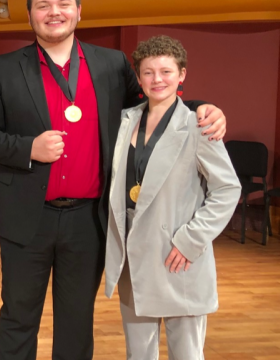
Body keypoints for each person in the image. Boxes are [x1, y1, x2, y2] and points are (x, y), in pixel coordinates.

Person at [0, 0, 229, 359]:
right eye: (43, 5)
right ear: (29, 15)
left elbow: (155, 103)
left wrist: (202, 107)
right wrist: (28, 148)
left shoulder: (112, 63)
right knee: (18, 317)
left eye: (63, 3)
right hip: (25, 218)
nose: (54, 12)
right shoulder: (5, 67)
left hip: (89, 221)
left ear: (79, 11)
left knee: (76, 321)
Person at [104, 35, 240, 359]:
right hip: (134, 259)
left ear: (182, 75)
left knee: (187, 355)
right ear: (138, 78)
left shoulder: (198, 125)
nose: (157, 80)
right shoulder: (124, 122)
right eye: (148, 73)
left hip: (177, 256)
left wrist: (191, 240)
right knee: (138, 355)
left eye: (166, 71)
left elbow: (228, 189)